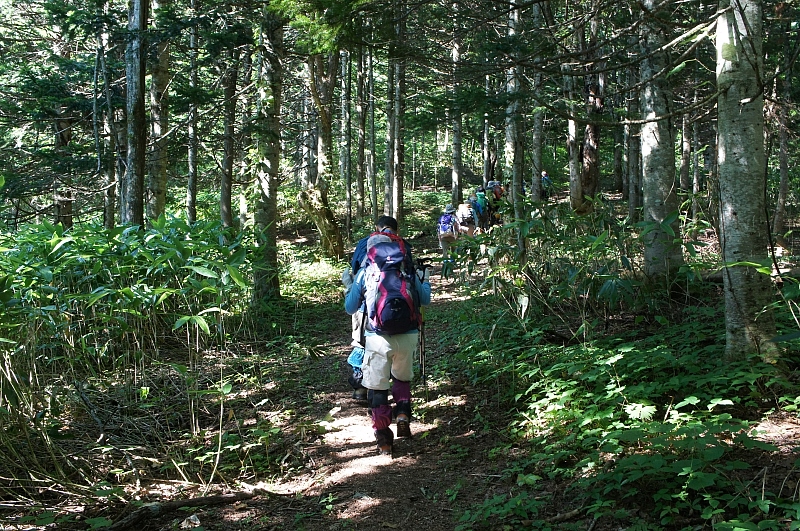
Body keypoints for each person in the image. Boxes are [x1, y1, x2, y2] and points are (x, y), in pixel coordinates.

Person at [343, 218, 432, 456]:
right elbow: (424, 300)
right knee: (402, 378)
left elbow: (351, 308)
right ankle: (403, 412)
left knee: (377, 387)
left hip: (377, 335)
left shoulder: (365, 272)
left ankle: (384, 440)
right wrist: (426, 279)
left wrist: (348, 286)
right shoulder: (406, 270)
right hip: (409, 333)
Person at [342, 215, 402, 402]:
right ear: (395, 229)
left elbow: (355, 269)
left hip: (364, 305)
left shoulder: (364, 243)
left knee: (361, 344)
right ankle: (386, 385)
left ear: (377, 227)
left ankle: (360, 387)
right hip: (395, 307)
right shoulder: (402, 244)